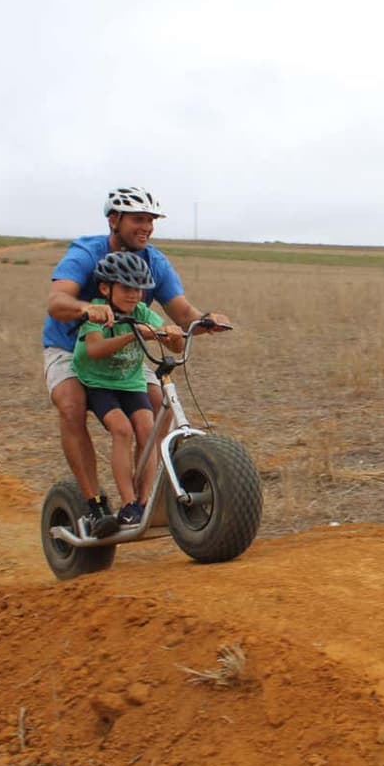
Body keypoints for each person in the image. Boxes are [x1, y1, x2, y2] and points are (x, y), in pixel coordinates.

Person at [42, 186, 231, 535]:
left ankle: (140, 502)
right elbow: (56, 301)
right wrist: (88, 309)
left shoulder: (153, 261)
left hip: (125, 351)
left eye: (150, 220)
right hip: (72, 346)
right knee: (71, 405)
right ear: (114, 220)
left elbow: (182, 315)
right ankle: (94, 504)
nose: (146, 227)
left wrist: (205, 322)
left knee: (160, 407)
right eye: (138, 220)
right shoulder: (87, 252)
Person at [73, 251, 184, 537]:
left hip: (131, 382)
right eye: (126, 288)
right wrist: (135, 334)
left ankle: (145, 500)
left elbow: (174, 347)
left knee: (148, 429)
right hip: (98, 382)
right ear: (105, 288)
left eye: (139, 289)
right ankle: (128, 503)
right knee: (121, 430)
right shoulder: (97, 311)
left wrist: (172, 335)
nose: (134, 295)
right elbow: (94, 350)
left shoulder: (142, 313)